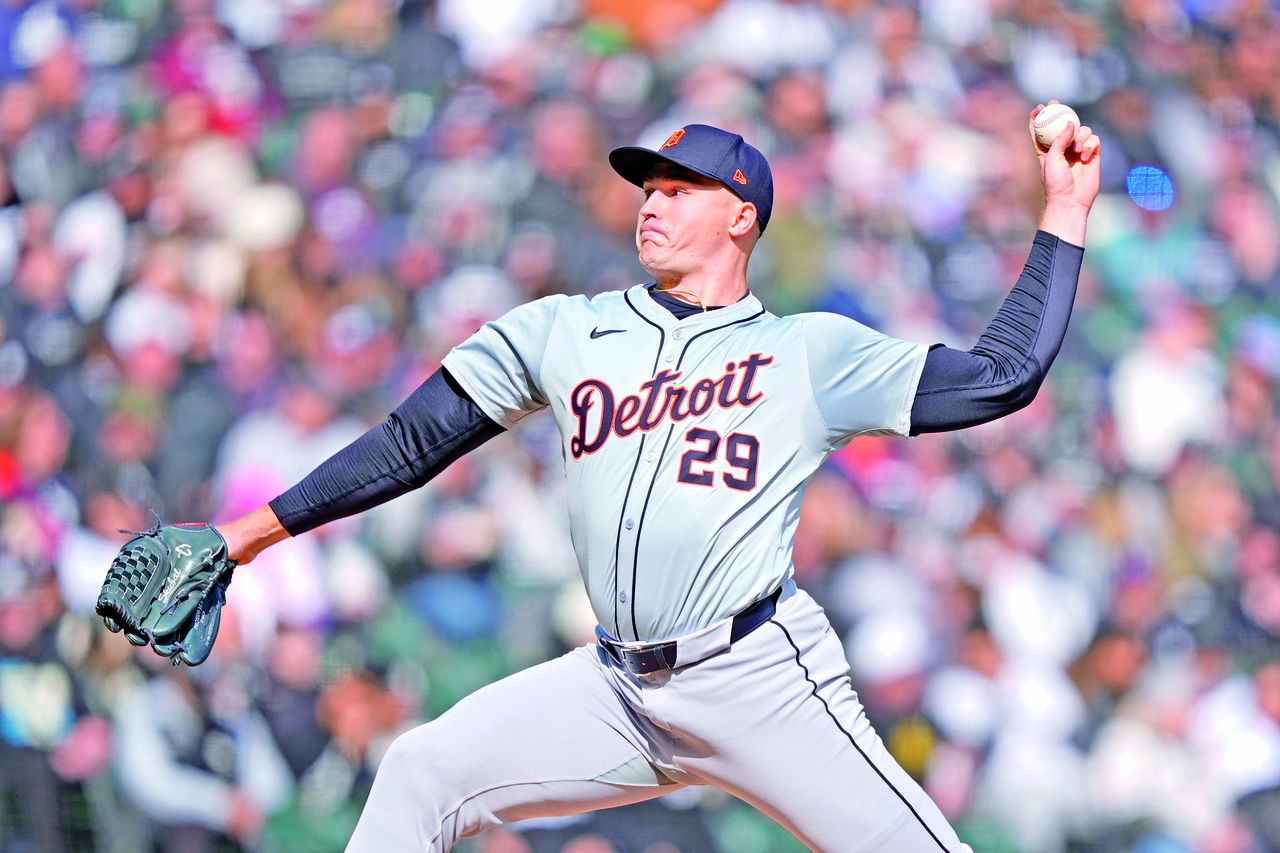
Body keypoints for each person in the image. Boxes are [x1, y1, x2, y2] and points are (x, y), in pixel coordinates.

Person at [211, 107, 1100, 852]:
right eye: (648, 188)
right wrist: (242, 536)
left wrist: (1063, 208)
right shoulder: (566, 330)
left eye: (679, 189)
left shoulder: (805, 352)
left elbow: (1001, 377)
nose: (651, 203)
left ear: (741, 216)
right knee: (420, 771)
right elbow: (413, 440)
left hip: (756, 675)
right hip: (617, 688)